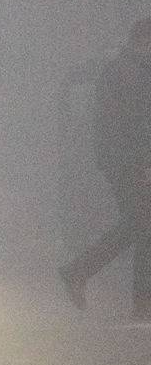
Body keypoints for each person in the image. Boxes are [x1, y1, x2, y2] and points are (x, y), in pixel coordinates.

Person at [61, 16, 151, 319]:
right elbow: (135, 125)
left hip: (120, 159)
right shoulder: (131, 72)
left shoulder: (122, 67)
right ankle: (138, 300)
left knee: (140, 225)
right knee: (142, 223)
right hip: (129, 161)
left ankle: (83, 274)